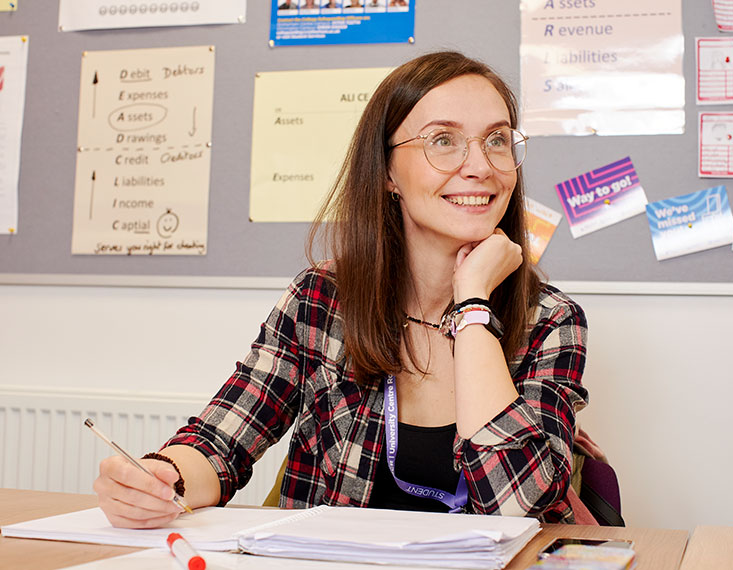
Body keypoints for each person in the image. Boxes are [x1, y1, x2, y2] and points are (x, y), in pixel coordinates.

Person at [93, 51, 588, 529]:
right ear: (388, 171)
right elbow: (222, 441)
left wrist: (474, 303)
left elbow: (517, 503)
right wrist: (163, 480)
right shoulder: (321, 300)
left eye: (497, 140)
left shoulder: (550, 320)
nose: (480, 165)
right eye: (443, 140)